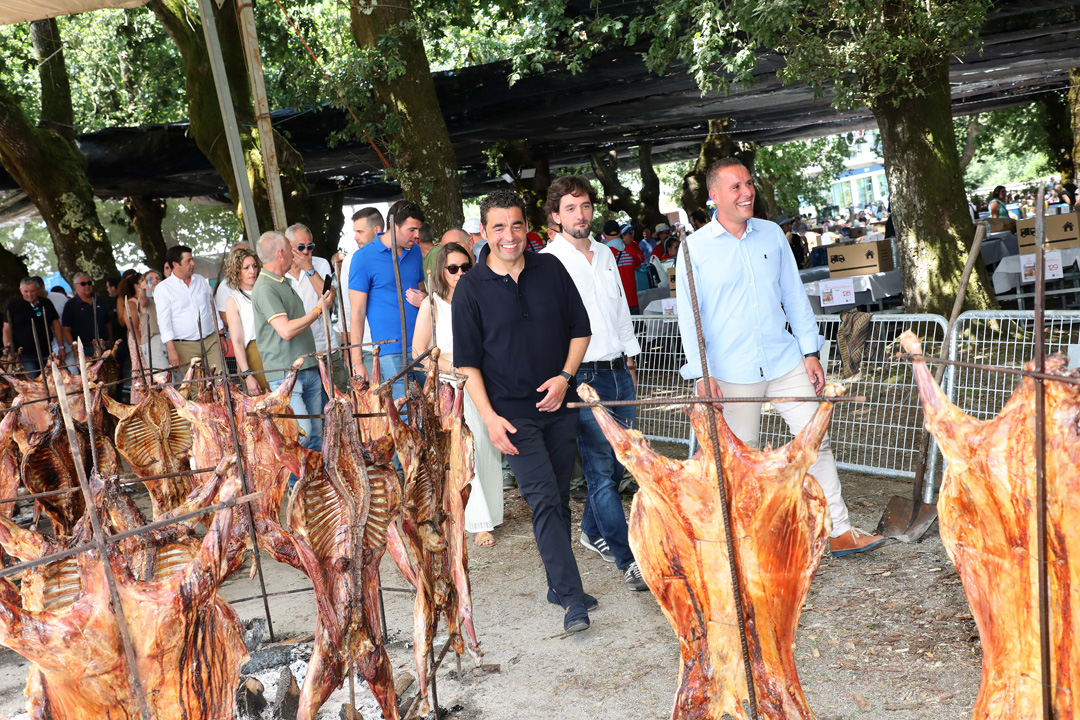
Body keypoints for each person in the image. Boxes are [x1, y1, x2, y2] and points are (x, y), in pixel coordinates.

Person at [676, 157, 885, 558]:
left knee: (814, 441)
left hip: (784, 358)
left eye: (748, 183)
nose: (746, 191)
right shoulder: (693, 250)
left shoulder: (771, 234)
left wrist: (810, 351)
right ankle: (745, 543)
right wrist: (702, 373)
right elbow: (690, 318)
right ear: (714, 196)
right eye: (735, 186)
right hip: (731, 370)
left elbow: (793, 294)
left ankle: (836, 530)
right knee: (743, 456)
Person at [452, 189, 593, 633]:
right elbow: (466, 365)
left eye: (516, 224)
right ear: (483, 232)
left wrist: (565, 377)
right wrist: (490, 419)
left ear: (527, 226)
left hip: (560, 403)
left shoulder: (551, 268)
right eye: (498, 226)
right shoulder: (470, 288)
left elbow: (580, 329)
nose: (509, 235)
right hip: (512, 416)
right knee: (544, 500)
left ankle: (557, 582)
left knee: (558, 494)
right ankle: (572, 600)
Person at [543, 176, 647, 592]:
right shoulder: (548, 263)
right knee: (601, 471)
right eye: (570, 208)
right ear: (555, 216)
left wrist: (631, 356)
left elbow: (619, 308)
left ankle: (591, 531)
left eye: (584, 206)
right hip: (582, 375)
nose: (580, 214)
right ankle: (629, 558)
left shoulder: (606, 253)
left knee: (623, 459)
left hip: (619, 368)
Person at [412, 242, 504, 547]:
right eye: (453, 268)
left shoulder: (481, 298)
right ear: (442, 271)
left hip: (484, 380)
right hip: (453, 386)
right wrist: (451, 365)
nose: (460, 273)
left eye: (466, 267)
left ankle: (491, 514)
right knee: (466, 451)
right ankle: (477, 522)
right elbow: (419, 352)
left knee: (489, 449)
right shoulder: (432, 305)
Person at [252, 230, 333, 451]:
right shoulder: (266, 287)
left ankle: (315, 483)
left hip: (307, 366)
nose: (295, 253)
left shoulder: (281, 281)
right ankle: (297, 484)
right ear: (281, 253)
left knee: (316, 433)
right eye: (291, 249)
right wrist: (318, 309)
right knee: (302, 436)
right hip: (286, 373)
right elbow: (285, 331)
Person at [349, 200, 427, 399]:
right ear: (393, 225)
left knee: (431, 412)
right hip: (390, 351)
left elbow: (422, 292)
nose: (417, 235)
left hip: (422, 346)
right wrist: (357, 362)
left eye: (418, 229)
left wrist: (425, 299)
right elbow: (357, 313)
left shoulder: (415, 251)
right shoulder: (363, 258)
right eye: (412, 230)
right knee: (404, 414)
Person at [285, 223, 347, 389]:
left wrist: (308, 268)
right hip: (298, 354)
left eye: (310, 246)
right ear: (288, 246)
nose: (306, 251)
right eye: (300, 247)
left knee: (340, 399)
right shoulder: (279, 270)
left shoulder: (321, 264)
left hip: (326, 347)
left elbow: (326, 297)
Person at [155, 245, 225, 377]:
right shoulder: (163, 288)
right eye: (188, 261)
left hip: (211, 340)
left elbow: (212, 309)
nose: (193, 263)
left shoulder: (201, 280)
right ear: (176, 264)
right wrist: (171, 350)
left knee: (222, 380)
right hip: (185, 346)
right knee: (196, 387)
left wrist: (221, 334)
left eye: (192, 260)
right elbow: (164, 322)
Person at [340, 207, 385, 370]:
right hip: (365, 347)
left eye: (360, 231)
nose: (355, 237)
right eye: (354, 231)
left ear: (377, 230)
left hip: (395, 346)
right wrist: (350, 349)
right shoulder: (350, 260)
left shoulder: (396, 255)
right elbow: (346, 308)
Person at [223, 246, 268, 395]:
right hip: (254, 352)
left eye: (254, 266)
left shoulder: (266, 289)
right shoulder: (233, 300)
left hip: (279, 347)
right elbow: (237, 341)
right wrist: (247, 374)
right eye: (246, 267)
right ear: (236, 271)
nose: (252, 271)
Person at [3, 278, 64, 376]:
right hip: (26, 353)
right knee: (33, 380)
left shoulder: (46, 303)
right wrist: (8, 350)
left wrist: (61, 347)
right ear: (20, 290)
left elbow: (56, 324)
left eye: (33, 291)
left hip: (47, 350)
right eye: (26, 291)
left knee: (52, 378)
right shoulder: (13, 306)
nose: (29, 294)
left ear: (38, 289)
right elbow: (6, 329)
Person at [61, 272, 111, 356]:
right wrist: (75, 348)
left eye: (89, 283)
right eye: (83, 284)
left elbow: (107, 322)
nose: (87, 286)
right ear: (75, 286)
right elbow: (66, 330)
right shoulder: (70, 305)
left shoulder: (99, 301)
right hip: (85, 349)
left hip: (104, 345)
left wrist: (110, 341)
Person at [137, 270, 168, 372]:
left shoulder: (166, 296)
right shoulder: (146, 298)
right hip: (153, 339)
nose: (154, 280)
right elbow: (143, 301)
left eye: (157, 278)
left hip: (168, 337)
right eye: (150, 279)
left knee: (176, 375)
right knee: (164, 376)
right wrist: (143, 289)